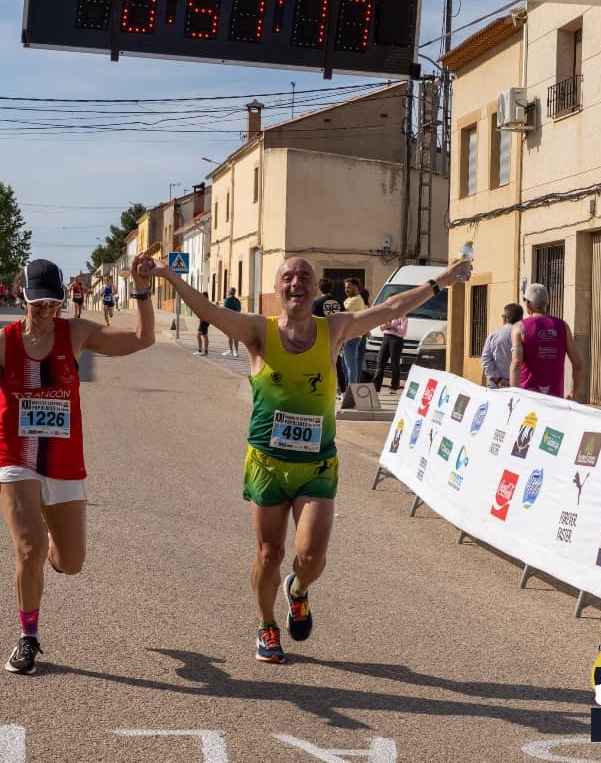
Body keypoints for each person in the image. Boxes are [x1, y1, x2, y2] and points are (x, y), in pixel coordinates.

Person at [149, 254, 471, 663]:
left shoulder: (333, 329)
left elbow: (391, 308)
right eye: (287, 277)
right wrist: (169, 275)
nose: (296, 282)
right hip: (267, 463)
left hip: (317, 464)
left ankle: (298, 590)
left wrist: (441, 281)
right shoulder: (257, 331)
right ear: (277, 288)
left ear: (316, 288)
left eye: (304, 276)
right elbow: (208, 310)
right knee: (269, 554)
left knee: (312, 557)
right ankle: (267, 625)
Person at [0, 256, 156, 675]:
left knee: (71, 563)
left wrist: (142, 290)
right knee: (29, 548)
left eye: (54, 303)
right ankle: (28, 637)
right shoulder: (3, 343)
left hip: (64, 462)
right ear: (24, 298)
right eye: (40, 304)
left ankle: (51, 548)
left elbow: (143, 338)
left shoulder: (76, 333)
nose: (47, 311)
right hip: (13, 455)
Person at [509, 283, 583, 399]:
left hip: (528, 397)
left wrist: (512, 396)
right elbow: (577, 363)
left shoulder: (519, 327)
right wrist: (572, 392)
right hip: (554, 399)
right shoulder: (563, 327)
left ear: (527, 303)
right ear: (547, 302)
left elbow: (516, 363)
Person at [311, 278, 346, 398]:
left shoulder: (316, 303)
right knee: (337, 365)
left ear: (319, 289)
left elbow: (312, 320)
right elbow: (345, 318)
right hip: (336, 337)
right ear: (331, 288)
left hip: (321, 338)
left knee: (321, 365)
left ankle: (324, 390)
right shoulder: (339, 302)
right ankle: (343, 391)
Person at [481, 303, 524, 388]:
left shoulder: (493, 336)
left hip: (497, 384)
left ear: (504, 317)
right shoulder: (525, 336)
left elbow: (485, 359)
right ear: (521, 318)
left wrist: (498, 380)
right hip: (520, 383)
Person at [371, 312, 408, 394]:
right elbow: (381, 328)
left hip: (396, 340)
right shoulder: (387, 314)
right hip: (386, 338)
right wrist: (384, 326)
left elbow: (403, 331)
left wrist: (392, 326)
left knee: (395, 363)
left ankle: (394, 387)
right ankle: (376, 387)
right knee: (380, 362)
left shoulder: (402, 315)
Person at [341, 277, 367, 386]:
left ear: (356, 287)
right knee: (344, 366)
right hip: (347, 336)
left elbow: (342, 313)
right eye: (345, 287)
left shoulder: (356, 299)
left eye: (349, 287)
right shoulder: (349, 299)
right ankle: (346, 388)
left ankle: (351, 389)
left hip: (352, 336)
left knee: (350, 366)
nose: (346, 289)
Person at [222, 287, 242, 357]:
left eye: (228, 291)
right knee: (236, 337)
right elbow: (239, 310)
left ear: (229, 292)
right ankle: (236, 352)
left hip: (229, 321)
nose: (227, 292)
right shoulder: (237, 300)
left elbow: (225, 311)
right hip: (237, 320)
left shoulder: (227, 300)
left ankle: (231, 350)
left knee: (230, 337)